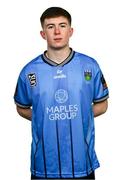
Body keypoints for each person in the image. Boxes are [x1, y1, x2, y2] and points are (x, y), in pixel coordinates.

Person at [14, 7, 109, 180]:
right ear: (43, 34)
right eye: (50, 27)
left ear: (71, 31)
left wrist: (78, 115)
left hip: (82, 163)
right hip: (43, 165)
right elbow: (21, 108)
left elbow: (102, 105)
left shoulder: (90, 66)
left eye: (62, 25)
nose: (57, 31)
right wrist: (45, 116)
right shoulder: (29, 72)